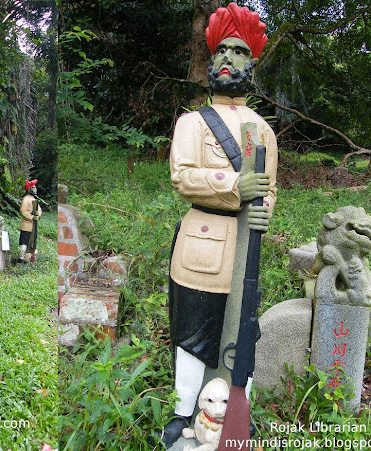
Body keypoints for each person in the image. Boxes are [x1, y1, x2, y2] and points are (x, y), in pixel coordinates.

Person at [157, 3, 278, 447]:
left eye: (239, 52)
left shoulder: (264, 130)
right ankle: (182, 410)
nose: (228, 58)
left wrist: (263, 205)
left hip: (245, 249)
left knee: (237, 332)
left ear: (251, 63)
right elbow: (183, 176)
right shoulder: (192, 122)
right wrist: (234, 184)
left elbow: (270, 190)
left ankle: (227, 411)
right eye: (222, 50)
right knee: (193, 335)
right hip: (200, 244)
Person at [18, 179, 42, 263]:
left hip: (33, 226)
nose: (35, 189)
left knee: (32, 242)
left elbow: (39, 210)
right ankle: (21, 258)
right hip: (26, 224)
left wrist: (37, 215)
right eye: (33, 187)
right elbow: (23, 211)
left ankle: (29, 258)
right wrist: (31, 217)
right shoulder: (25, 199)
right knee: (24, 242)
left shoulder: (34, 199)